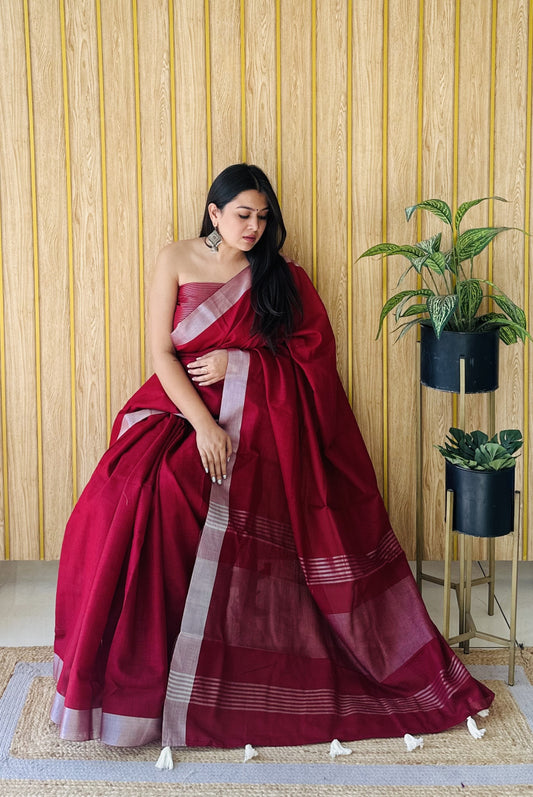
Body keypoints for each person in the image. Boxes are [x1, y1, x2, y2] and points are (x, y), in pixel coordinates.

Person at [52, 163, 493, 755]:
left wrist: (244, 367)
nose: (254, 227)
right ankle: (126, 669)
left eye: (263, 217)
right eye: (242, 215)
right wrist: (203, 423)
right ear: (214, 213)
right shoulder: (175, 259)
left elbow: (313, 367)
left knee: (180, 491)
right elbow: (161, 353)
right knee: (122, 493)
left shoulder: (282, 279)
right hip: (179, 406)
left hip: (258, 418)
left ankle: (188, 673)